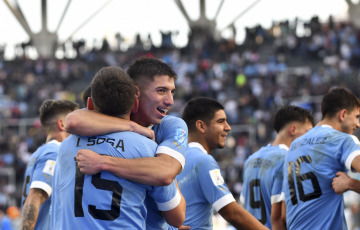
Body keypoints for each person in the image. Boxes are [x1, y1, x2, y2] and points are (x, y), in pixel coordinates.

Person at [54, 66, 185, 229]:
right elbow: (178, 217)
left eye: (172, 92)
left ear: (89, 104)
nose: (170, 101)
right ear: (135, 100)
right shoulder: (147, 148)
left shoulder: (67, 145)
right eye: (161, 90)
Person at [176, 97, 269, 230]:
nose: (228, 127)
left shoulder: (176, 158)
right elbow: (233, 213)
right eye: (221, 122)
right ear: (201, 126)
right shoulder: (203, 161)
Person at [283, 87, 360, 230]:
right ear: (343, 114)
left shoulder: (294, 146)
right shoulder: (343, 140)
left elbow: (283, 214)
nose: (358, 124)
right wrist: (351, 184)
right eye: (356, 117)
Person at [240, 105, 314, 230]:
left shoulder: (250, 159)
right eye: (307, 132)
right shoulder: (288, 159)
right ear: (293, 130)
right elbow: (279, 218)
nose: (310, 137)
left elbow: (243, 208)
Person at [20, 99, 79, 230]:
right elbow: (35, 195)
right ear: (62, 124)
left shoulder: (38, 153)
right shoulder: (55, 152)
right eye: (74, 122)